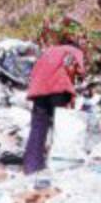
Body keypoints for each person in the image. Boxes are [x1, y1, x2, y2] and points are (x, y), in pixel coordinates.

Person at [23, 44, 86, 175]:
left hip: (38, 90)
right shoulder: (75, 51)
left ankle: (31, 166)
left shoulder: (49, 51)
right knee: (62, 127)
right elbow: (79, 71)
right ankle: (61, 165)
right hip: (58, 89)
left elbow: (34, 71)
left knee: (38, 127)